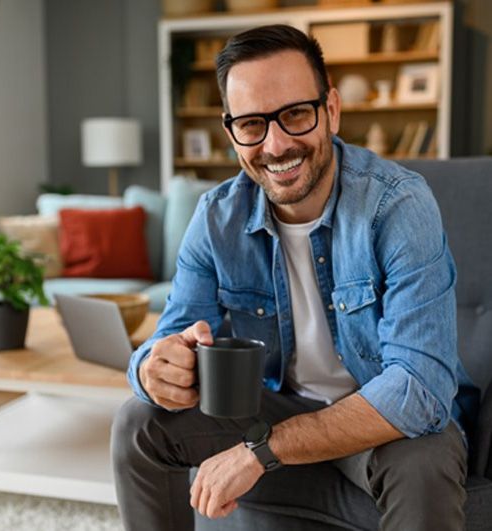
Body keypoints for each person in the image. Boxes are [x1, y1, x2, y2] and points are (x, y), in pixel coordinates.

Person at [111, 24, 478, 531]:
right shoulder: (216, 217)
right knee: (137, 422)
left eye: (295, 114)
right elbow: (167, 340)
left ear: (331, 109)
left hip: (378, 423)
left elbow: (420, 388)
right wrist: (154, 370)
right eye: (252, 124)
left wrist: (260, 451)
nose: (276, 144)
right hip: (273, 406)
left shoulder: (397, 206)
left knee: (424, 458)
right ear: (230, 131)